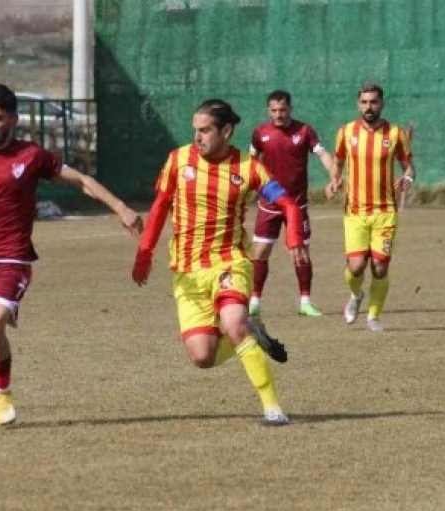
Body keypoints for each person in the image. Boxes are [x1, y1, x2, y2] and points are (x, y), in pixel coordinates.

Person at [0, 84, 142, 429]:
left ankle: (5, 401)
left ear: (13, 119)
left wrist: (121, 207)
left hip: (13, 258)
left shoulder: (32, 156)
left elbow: (80, 180)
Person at [132, 99, 307, 427]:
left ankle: (272, 408)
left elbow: (287, 203)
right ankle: (253, 335)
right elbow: (160, 206)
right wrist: (144, 253)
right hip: (187, 272)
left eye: (205, 130)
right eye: (195, 130)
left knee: (234, 324)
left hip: (230, 262)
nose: (197, 137)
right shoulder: (178, 160)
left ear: (226, 131)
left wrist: (294, 236)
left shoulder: (249, 167)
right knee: (202, 356)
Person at [327, 82, 415, 333]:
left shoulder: (396, 133)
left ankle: (374, 316)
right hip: (355, 211)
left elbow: (409, 166)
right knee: (355, 267)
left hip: (385, 211)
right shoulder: (345, 132)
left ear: (382, 104)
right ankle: (355, 296)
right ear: (358, 104)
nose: (369, 106)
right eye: (364, 102)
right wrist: (334, 180)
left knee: (380, 267)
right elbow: (337, 161)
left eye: (373, 102)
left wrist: (408, 178)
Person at [248, 90, 336, 317]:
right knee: (261, 252)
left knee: (300, 253)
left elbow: (323, 155)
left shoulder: (304, 131)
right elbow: (250, 163)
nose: (278, 115)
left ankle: (305, 302)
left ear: (290, 109)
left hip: (296, 205)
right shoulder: (260, 133)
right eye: (274, 110)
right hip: (269, 203)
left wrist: (334, 176)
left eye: (282, 110)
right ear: (269, 110)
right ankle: (255, 301)